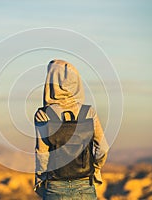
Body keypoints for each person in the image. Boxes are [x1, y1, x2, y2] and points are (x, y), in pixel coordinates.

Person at [34, 59, 108, 200]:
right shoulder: (89, 113)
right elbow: (103, 148)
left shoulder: (43, 115)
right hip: (85, 185)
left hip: (55, 187)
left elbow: (42, 154)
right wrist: (96, 170)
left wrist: (41, 181)